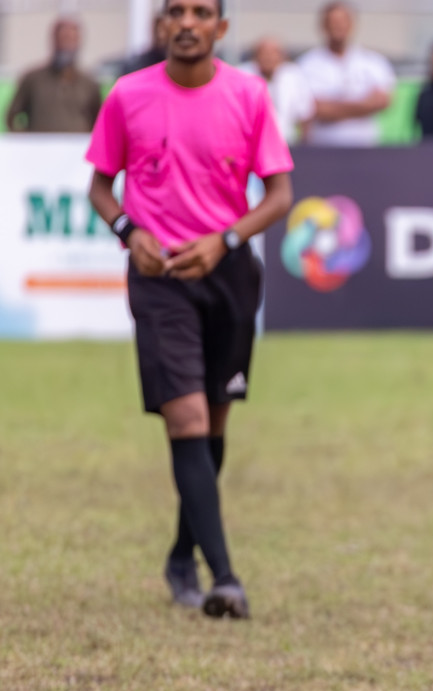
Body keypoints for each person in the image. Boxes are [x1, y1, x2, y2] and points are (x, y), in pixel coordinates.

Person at [85, 0, 294, 620]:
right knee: (186, 419)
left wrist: (226, 239)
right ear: (161, 26)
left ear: (220, 29)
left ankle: (181, 552)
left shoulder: (249, 95)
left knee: (214, 426)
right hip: (160, 279)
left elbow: (280, 193)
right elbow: (100, 185)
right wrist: (129, 231)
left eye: (201, 12)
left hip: (228, 274)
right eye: (176, 10)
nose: (187, 21)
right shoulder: (127, 95)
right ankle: (224, 577)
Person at [297, 1, 395, 147]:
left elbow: (382, 101)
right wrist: (364, 105)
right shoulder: (307, 64)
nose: (338, 27)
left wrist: (332, 109)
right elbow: (311, 108)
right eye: (333, 22)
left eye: (342, 21)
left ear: (352, 24)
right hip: (323, 148)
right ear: (323, 26)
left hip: (365, 148)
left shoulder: (373, 61)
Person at [6, 17, 102, 133]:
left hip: (77, 148)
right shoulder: (33, 79)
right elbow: (12, 116)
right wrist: (26, 141)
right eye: (64, 38)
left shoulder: (89, 84)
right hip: (40, 147)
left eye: (72, 40)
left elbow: (99, 121)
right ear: (54, 40)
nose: (67, 45)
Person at [242, 37, 314, 144]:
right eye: (264, 53)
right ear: (255, 56)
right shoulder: (243, 75)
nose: (268, 58)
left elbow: (305, 115)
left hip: (288, 144)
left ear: (282, 56)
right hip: (252, 145)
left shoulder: (293, 75)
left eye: (273, 53)